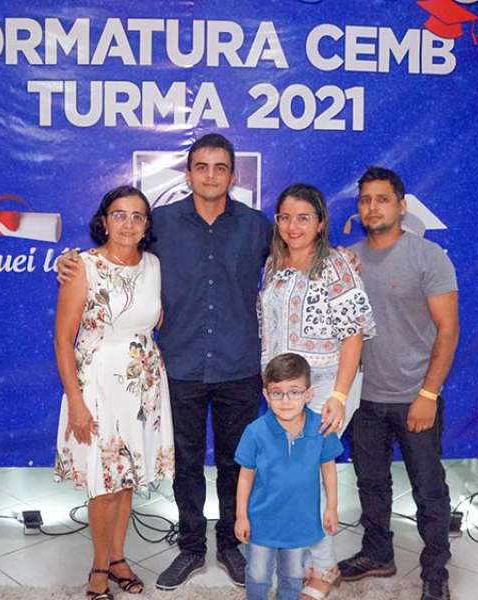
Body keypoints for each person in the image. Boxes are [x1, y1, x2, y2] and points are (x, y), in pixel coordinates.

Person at [57, 134, 273, 590]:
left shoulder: (257, 226)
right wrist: (68, 263)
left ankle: (230, 545)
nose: (210, 175)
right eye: (201, 167)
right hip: (179, 366)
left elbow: (297, 255)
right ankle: (191, 547)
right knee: (186, 465)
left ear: (233, 175)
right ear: (188, 174)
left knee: (237, 462)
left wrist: (338, 256)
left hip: (238, 365)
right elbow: (118, 256)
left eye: (220, 167)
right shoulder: (163, 225)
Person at [336, 167, 459, 600]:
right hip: (364, 400)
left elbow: (448, 330)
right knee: (370, 484)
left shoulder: (427, 256)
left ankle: (435, 570)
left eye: (382, 199)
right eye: (366, 200)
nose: (373, 207)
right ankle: (377, 553)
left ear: (402, 206)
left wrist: (428, 394)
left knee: (428, 489)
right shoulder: (348, 261)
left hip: (414, 398)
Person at [54, 185, 175, 599]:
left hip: (143, 386)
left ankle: (119, 557)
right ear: (104, 221)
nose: (128, 223)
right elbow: (63, 341)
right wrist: (76, 401)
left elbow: (153, 319)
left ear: (147, 225)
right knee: (103, 481)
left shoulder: (154, 265)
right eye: (119, 215)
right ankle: (99, 566)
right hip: (96, 385)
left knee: (126, 479)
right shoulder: (81, 267)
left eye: (137, 216)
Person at [258, 183, 375, 599]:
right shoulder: (274, 265)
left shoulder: (336, 266)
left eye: (304, 218)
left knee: (305, 476)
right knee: (290, 477)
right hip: (282, 392)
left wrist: (339, 397)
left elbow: (353, 334)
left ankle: (324, 568)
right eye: (286, 218)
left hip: (324, 388)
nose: (294, 226)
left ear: (321, 223)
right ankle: (306, 559)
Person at [234, 353, 343, 600]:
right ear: (266, 395)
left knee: (293, 575)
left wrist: (331, 507)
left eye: (294, 392)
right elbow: (245, 477)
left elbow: (328, 468)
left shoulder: (321, 428)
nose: (285, 401)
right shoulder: (255, 432)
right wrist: (241, 516)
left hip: (299, 522)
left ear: (309, 394)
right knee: (258, 575)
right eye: (277, 393)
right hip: (261, 521)